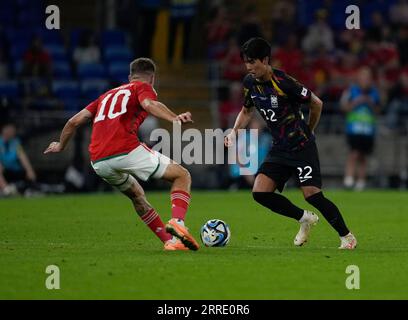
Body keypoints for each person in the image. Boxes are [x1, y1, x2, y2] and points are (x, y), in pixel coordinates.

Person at [44, 58, 200, 252]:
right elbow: (149, 104)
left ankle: (170, 242)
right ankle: (178, 223)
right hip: (125, 149)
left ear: (129, 76)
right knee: (182, 175)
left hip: (99, 161)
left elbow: (74, 121)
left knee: (137, 196)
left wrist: (60, 145)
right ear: (152, 78)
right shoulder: (142, 87)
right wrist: (174, 118)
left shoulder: (104, 97)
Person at [224, 38, 357, 249]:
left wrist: (310, 129)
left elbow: (316, 103)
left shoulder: (283, 82)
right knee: (260, 193)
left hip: (301, 146)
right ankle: (304, 218)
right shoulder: (250, 83)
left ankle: (347, 237)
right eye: (246, 62)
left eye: (252, 62)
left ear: (265, 60)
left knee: (312, 195)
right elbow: (247, 110)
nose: (248, 67)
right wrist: (233, 132)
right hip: (280, 148)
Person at [340, 67, 381, 191]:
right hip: (354, 128)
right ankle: (349, 179)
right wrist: (356, 102)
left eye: (367, 77)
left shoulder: (374, 93)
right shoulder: (351, 91)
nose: (365, 80)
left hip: (368, 129)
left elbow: (378, 110)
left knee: (363, 155)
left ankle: (361, 181)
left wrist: (370, 103)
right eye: (363, 77)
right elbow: (343, 107)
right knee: (353, 153)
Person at [0, 123, 37, 196]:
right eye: (9, 130)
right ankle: (6, 189)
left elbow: (22, 155)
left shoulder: (16, 142)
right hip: (3, 170)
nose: (11, 132)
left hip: (14, 170)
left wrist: (29, 170)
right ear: (3, 130)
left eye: (13, 130)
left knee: (29, 174)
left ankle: (26, 190)